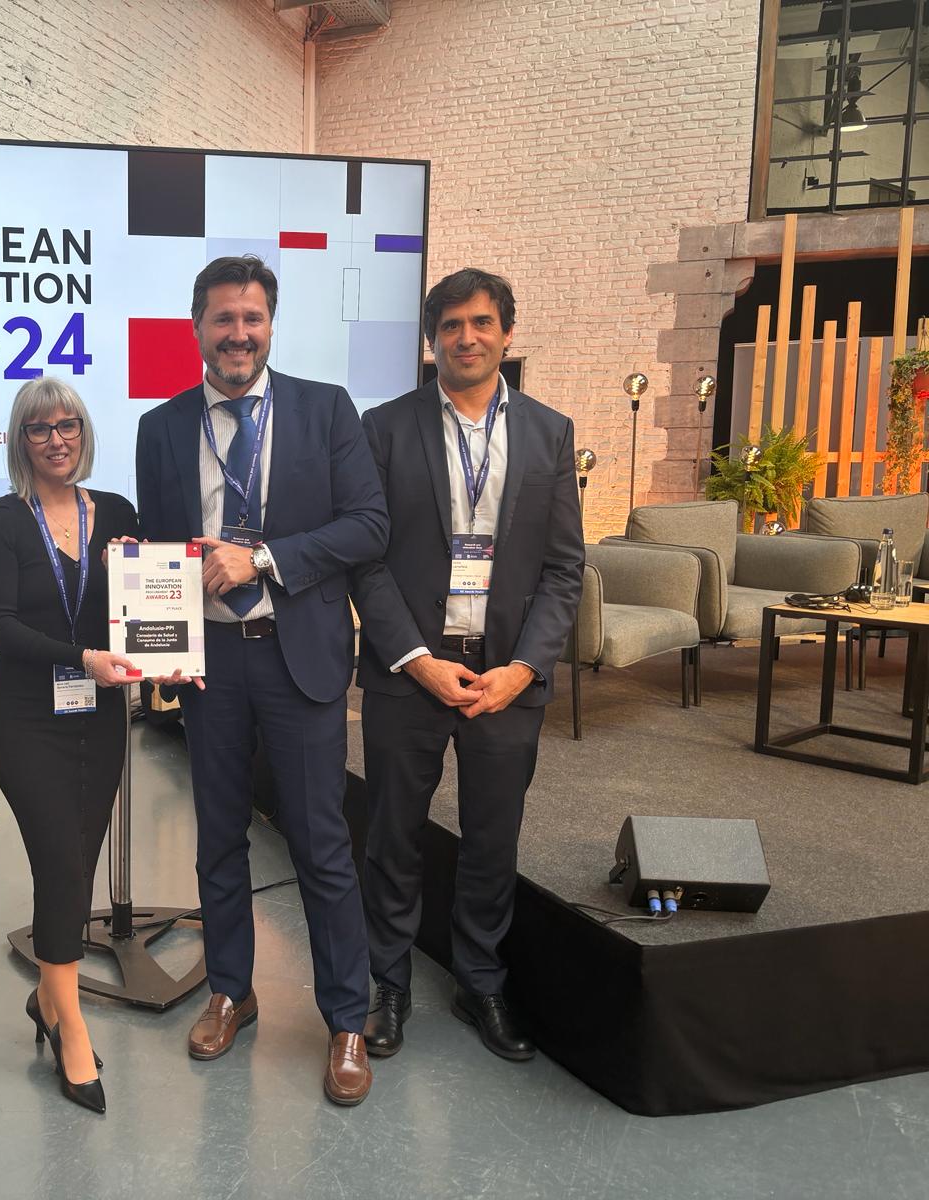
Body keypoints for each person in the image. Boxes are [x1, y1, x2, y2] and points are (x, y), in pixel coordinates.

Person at [135, 255, 389, 1107]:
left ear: (270, 325)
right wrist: (154, 638)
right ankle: (229, 992)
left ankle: (346, 1019)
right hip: (211, 664)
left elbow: (368, 525)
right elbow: (162, 550)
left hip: (297, 654)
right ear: (197, 327)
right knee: (217, 838)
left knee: (320, 844)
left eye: (251, 318)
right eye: (222, 319)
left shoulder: (325, 409)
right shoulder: (163, 427)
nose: (237, 334)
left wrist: (266, 558)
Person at [350, 268, 582, 1064]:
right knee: (392, 836)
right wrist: (416, 660)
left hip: (504, 679)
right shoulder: (384, 429)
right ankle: (387, 983)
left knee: (492, 839)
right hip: (409, 675)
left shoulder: (550, 432)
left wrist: (524, 668)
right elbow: (367, 561)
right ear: (432, 339)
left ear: (507, 334)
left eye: (482, 322)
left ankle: (480, 980)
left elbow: (563, 569)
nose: (467, 337)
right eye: (450, 325)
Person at [0, 376, 142, 1115]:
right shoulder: (0, 521)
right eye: (39, 428)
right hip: (24, 717)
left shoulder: (119, 514)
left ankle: (46, 998)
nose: (56, 439)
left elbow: (146, 606)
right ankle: (71, 1026)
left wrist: (135, 583)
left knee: (82, 857)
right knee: (61, 862)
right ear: (21, 441)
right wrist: (82, 658)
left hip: (99, 716)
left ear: (84, 432)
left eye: (67, 424)